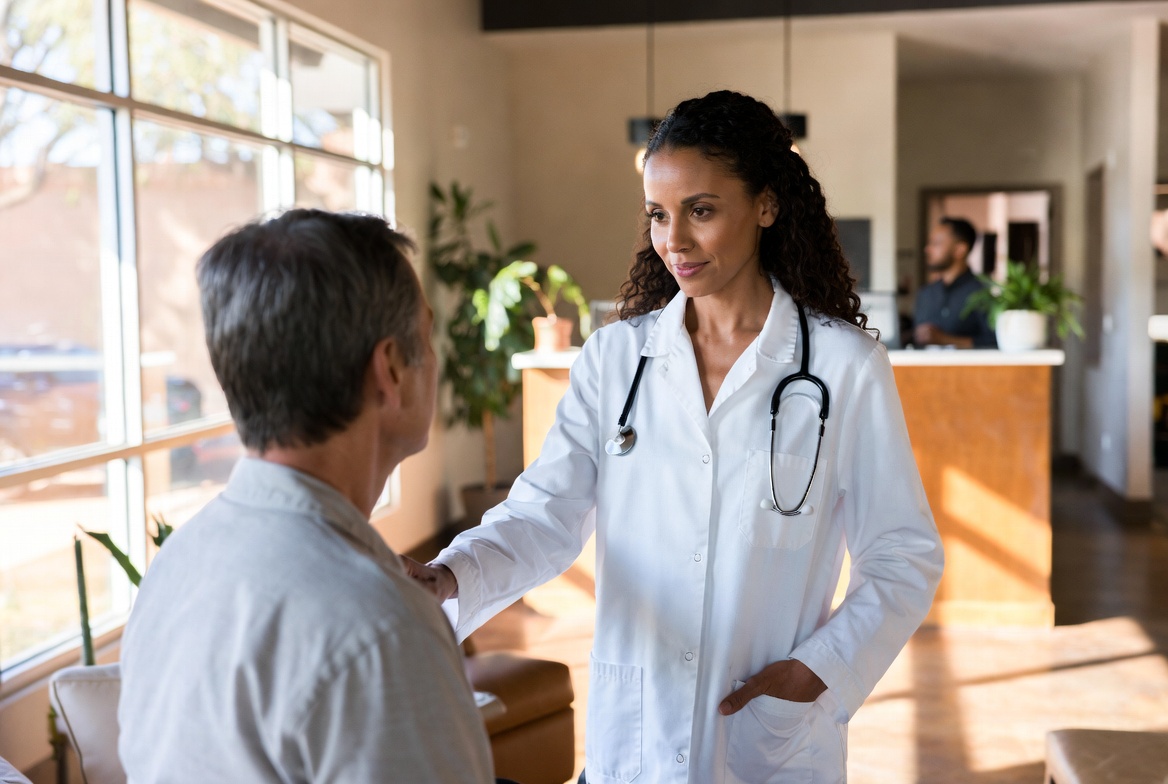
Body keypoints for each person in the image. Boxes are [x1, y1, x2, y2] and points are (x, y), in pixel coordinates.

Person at [405, 91, 944, 783]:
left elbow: (903, 553)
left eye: (702, 210)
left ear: (767, 206)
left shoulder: (841, 367)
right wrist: (448, 575)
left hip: (768, 728)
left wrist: (821, 669)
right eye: (659, 214)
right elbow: (545, 514)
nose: (674, 242)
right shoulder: (615, 360)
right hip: (639, 726)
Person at [118, 210, 497, 783]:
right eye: (426, 335)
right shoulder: (381, 629)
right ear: (390, 370)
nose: (436, 359)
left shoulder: (178, 564)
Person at [912, 217, 997, 348]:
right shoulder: (925, 294)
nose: (927, 249)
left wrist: (945, 339)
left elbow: (993, 342)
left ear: (960, 249)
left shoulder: (981, 293)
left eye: (936, 243)